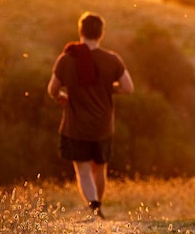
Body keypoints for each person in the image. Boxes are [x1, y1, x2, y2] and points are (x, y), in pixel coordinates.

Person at [48, 11, 134, 220]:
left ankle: (94, 208)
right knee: (100, 170)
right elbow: (128, 87)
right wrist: (107, 88)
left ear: (80, 31)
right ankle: (98, 206)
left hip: (76, 126)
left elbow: (52, 89)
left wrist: (61, 96)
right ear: (101, 34)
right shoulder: (112, 59)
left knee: (84, 171)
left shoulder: (66, 59)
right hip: (103, 126)